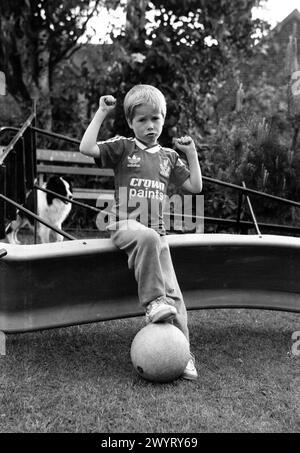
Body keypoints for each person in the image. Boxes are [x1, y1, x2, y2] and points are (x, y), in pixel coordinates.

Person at [80, 84, 202, 380]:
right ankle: (152, 303)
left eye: (156, 119)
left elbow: (195, 187)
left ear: (164, 119)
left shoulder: (170, 157)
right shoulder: (123, 146)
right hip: (124, 226)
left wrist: (192, 152)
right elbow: (86, 148)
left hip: (157, 234)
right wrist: (101, 112)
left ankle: (182, 353)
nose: (150, 126)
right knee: (145, 238)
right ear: (131, 123)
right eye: (142, 120)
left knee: (177, 300)